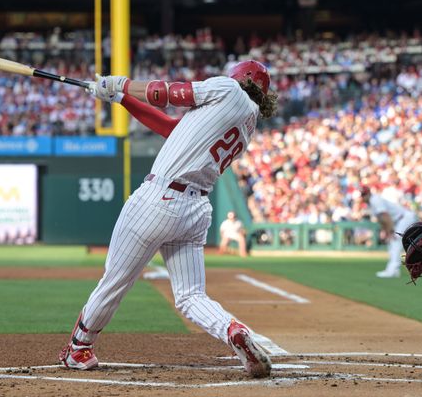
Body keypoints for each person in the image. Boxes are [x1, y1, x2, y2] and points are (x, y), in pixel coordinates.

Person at [59, 61, 278, 379]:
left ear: (241, 78)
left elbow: (166, 93)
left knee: (115, 281)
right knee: (191, 296)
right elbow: (170, 129)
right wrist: (121, 99)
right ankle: (233, 328)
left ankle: (79, 348)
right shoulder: (248, 123)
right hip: (196, 209)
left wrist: (120, 84)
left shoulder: (228, 88)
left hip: (158, 199)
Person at [363, 187, 418, 278]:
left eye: (364, 195)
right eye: (362, 195)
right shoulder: (371, 202)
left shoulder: (375, 200)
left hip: (404, 218)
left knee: (395, 241)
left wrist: (391, 231)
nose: (363, 197)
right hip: (398, 220)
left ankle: (392, 270)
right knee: (392, 242)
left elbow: (385, 216)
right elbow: (381, 219)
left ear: (368, 194)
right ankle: (394, 270)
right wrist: (387, 231)